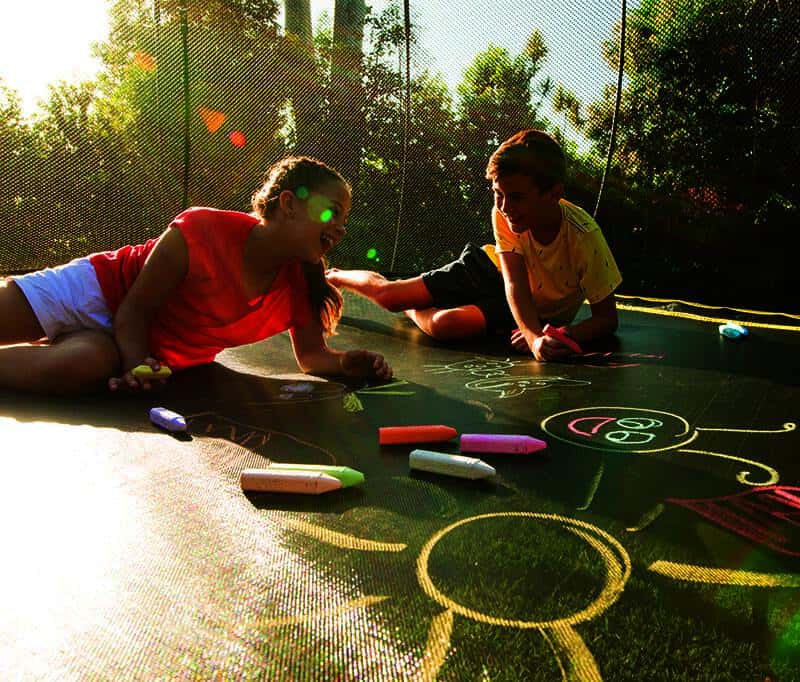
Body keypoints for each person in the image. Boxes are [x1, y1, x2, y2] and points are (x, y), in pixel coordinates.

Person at [0, 156, 393, 394]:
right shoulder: (204, 230)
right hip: (98, 290)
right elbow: (133, 310)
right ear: (288, 204)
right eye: (332, 212)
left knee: (81, 367)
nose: (340, 228)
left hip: (124, 344)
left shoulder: (299, 284)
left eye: (344, 219)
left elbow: (311, 357)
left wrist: (344, 364)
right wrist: (137, 365)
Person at [326, 129, 621, 361]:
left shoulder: (584, 237)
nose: (505, 207)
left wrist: (561, 335)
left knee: (444, 325)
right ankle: (333, 275)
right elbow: (514, 283)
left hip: (536, 312)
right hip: (489, 269)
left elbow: (607, 318)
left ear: (554, 193)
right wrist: (532, 338)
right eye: (498, 194)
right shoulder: (504, 213)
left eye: (517, 197)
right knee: (389, 295)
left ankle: (412, 308)